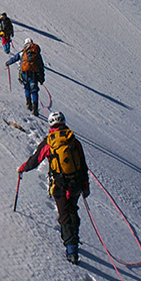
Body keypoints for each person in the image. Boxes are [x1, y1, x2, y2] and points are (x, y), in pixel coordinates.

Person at [19, 111, 91, 263]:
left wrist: (22, 168)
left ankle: (71, 250)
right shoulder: (73, 140)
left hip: (60, 185)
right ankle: (74, 239)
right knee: (72, 210)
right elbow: (83, 165)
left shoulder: (50, 142)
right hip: (76, 183)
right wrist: (85, 185)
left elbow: (35, 160)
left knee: (64, 214)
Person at [5, 37, 44, 115]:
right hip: (34, 74)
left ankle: (28, 104)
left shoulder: (23, 52)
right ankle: (35, 108)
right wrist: (41, 78)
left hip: (24, 73)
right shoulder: (36, 53)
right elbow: (40, 66)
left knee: (26, 87)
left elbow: (15, 58)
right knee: (34, 91)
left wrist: (8, 63)